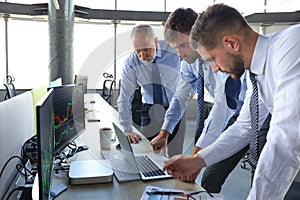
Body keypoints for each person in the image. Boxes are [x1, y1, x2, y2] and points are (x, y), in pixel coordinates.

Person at [163, 4, 300, 200]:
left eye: (212, 59)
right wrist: (197, 161)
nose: (215, 69)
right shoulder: (256, 73)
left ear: (232, 44)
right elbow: (243, 127)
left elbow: (284, 142)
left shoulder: (291, 47)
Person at [151, 7, 248, 193]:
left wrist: (195, 156)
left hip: (246, 113)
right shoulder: (190, 62)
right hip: (232, 115)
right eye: (175, 48)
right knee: (208, 176)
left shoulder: (219, 56)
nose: (180, 54)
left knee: (212, 172)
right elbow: (181, 95)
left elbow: (222, 107)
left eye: (182, 46)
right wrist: (165, 132)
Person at [117, 24, 185, 156]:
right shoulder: (131, 62)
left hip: (176, 106)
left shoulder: (173, 50)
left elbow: (191, 67)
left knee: (176, 155)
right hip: (149, 109)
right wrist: (127, 129)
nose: (142, 55)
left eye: (146, 49)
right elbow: (125, 97)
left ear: (155, 41)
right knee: (147, 153)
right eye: (138, 51)